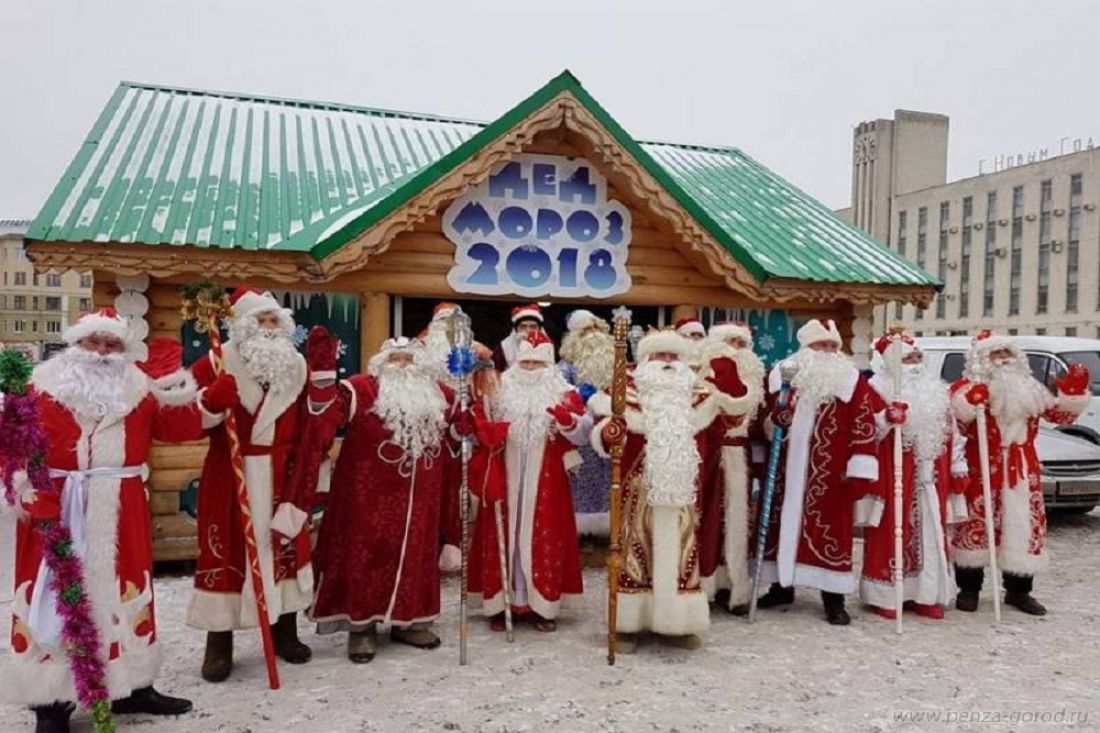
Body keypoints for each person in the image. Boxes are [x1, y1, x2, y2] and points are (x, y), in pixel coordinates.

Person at [3, 311, 215, 732]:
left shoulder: (139, 390)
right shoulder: (37, 388)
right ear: (75, 344)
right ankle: (51, 701)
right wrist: (25, 490)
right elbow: (7, 449)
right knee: (55, 598)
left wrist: (199, 387)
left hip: (122, 510)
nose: (101, 352)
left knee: (127, 593)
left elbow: (182, 426)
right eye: (92, 343)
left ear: (123, 350)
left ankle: (132, 686)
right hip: (55, 506)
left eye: (111, 345)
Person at [188, 287, 336, 682]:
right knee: (227, 553)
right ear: (242, 327)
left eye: (275, 321)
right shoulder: (214, 364)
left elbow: (310, 427)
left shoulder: (297, 367)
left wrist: (307, 482)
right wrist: (212, 404)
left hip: (281, 474)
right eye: (261, 321)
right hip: (230, 473)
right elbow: (190, 422)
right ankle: (219, 643)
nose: (269, 329)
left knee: (283, 549)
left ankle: (284, 632)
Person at [590, 328, 747, 652]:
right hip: (638, 490)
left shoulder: (700, 394)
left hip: (681, 491)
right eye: (660, 355)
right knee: (635, 555)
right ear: (646, 359)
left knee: (681, 556)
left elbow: (729, 421)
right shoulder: (624, 392)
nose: (667, 362)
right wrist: (610, 431)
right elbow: (603, 430)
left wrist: (732, 382)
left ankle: (678, 623)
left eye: (673, 356)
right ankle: (628, 625)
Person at [309, 337, 464, 663]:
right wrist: (322, 374)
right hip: (368, 500)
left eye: (409, 359)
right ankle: (361, 627)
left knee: (416, 557)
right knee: (367, 557)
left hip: (421, 501)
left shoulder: (443, 396)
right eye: (396, 358)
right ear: (381, 362)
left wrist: (464, 426)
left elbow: (454, 439)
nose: (403, 364)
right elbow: (323, 417)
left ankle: (410, 622)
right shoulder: (358, 390)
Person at [752, 318, 883, 625]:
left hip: (829, 476)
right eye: (819, 345)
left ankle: (833, 598)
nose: (826, 351)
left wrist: (860, 466)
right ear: (805, 348)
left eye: (832, 346)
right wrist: (774, 422)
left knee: (831, 532)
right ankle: (779, 587)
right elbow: (762, 423)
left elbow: (863, 424)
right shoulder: (781, 376)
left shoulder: (850, 381)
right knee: (777, 526)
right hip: (784, 471)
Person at [949, 330, 1091, 615]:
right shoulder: (967, 388)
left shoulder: (1030, 388)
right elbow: (955, 423)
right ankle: (969, 589)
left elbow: (1058, 415)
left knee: (1023, 529)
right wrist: (967, 403)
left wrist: (1072, 394)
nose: (1002, 360)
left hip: (1021, 469)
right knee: (976, 527)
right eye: (995, 354)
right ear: (982, 359)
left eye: (1007, 354)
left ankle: (1019, 590)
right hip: (982, 470)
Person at [469, 333, 590, 632]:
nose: (531, 369)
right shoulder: (499, 389)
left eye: (538, 363)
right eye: (526, 362)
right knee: (502, 533)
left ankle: (542, 605)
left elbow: (584, 432)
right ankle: (500, 604)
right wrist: (485, 430)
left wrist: (567, 421)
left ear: (549, 365)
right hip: (505, 475)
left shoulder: (565, 392)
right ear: (516, 362)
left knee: (545, 536)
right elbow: (478, 423)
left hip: (546, 479)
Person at [859, 330, 970, 620]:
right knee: (889, 533)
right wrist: (886, 419)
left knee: (932, 536)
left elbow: (952, 432)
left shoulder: (937, 391)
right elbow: (863, 430)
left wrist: (958, 466)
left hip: (931, 474)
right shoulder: (877, 389)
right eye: (909, 358)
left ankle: (927, 593)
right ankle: (886, 594)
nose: (917, 363)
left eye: (918, 356)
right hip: (894, 474)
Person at [697, 321, 766, 614]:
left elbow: (760, 419)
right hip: (709, 454)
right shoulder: (705, 372)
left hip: (741, 456)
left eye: (742, 344)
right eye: (731, 342)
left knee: (738, 523)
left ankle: (733, 587)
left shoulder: (754, 378)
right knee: (708, 519)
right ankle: (703, 585)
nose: (737, 350)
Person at [556, 309, 614, 536]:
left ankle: (608, 529)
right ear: (574, 337)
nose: (592, 334)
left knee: (610, 479)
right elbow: (558, 393)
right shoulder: (565, 366)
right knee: (581, 481)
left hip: (610, 431)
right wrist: (578, 396)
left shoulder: (614, 362)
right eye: (585, 330)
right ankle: (581, 532)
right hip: (580, 433)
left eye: (594, 328)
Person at [493, 303, 546, 371]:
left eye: (533, 327)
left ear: (539, 329)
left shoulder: (550, 347)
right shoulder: (502, 348)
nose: (528, 330)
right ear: (516, 329)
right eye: (523, 326)